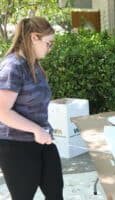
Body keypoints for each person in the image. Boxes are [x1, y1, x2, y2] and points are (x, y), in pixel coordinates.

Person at [0, 17, 63, 199]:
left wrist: (42, 131)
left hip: (42, 141)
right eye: (48, 43)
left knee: (55, 191)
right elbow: (2, 111)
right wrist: (36, 130)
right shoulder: (13, 67)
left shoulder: (34, 65)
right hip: (16, 146)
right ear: (34, 37)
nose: (50, 48)